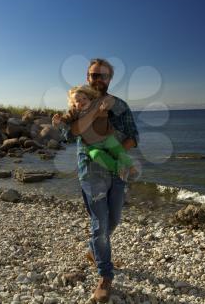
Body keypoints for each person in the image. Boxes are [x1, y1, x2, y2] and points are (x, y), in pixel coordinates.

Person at [52, 58, 139, 302]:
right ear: (88, 77)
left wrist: (117, 152)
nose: (98, 79)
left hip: (117, 169)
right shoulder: (80, 101)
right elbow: (69, 135)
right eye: (93, 75)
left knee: (114, 220)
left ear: (110, 79)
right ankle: (105, 276)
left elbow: (134, 135)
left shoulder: (119, 105)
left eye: (103, 75)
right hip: (91, 171)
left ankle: (94, 250)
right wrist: (91, 113)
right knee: (100, 226)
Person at [53, 84, 138, 181]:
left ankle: (131, 167)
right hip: (92, 145)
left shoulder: (96, 105)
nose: (82, 101)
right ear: (73, 105)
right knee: (96, 155)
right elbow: (65, 120)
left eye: (84, 98)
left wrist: (105, 106)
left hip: (107, 138)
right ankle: (118, 168)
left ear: (89, 98)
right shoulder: (74, 112)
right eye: (78, 101)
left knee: (119, 152)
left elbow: (107, 103)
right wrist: (58, 121)